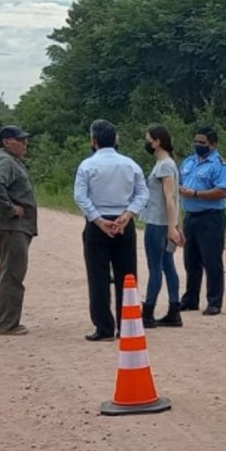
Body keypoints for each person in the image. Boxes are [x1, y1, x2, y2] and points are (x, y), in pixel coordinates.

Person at [73, 119, 149, 342]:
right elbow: (142, 194)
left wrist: (97, 219)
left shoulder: (87, 166)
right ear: (116, 139)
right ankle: (128, 325)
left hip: (98, 225)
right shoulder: (130, 164)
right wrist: (128, 214)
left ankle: (104, 327)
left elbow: (80, 196)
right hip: (124, 223)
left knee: (98, 276)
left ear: (94, 141)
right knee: (127, 275)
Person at [0, 125, 38, 335]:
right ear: (7, 142)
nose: (25, 144)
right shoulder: (6, 161)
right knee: (13, 274)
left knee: (9, 273)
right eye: (20, 140)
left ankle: (1, 320)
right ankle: (7, 324)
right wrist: (9, 208)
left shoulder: (8, 160)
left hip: (12, 226)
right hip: (12, 226)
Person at [178, 127, 226, 316]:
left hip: (211, 218)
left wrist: (196, 194)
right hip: (190, 217)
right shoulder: (189, 162)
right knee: (190, 260)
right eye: (196, 141)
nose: (198, 145)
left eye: (202, 143)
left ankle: (214, 302)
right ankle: (190, 299)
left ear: (213, 144)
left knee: (212, 261)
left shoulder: (220, 165)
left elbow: (223, 191)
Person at [139, 125, 184, 329]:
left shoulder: (164, 166)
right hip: (165, 223)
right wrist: (175, 225)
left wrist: (172, 227)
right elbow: (175, 197)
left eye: (149, 139)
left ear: (157, 142)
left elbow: (170, 198)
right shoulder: (168, 164)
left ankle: (148, 311)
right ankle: (174, 310)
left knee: (156, 267)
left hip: (158, 223)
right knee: (167, 265)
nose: (147, 143)